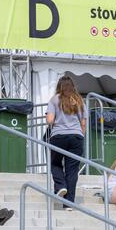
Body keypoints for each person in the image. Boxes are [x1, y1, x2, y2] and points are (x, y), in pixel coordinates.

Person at [46, 75, 87, 210]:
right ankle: (69, 203)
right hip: (76, 137)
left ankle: (61, 185)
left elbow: (50, 120)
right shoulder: (79, 100)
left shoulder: (54, 99)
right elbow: (83, 123)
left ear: (59, 86)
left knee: (55, 164)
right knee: (72, 170)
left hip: (59, 136)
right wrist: (81, 136)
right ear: (72, 86)